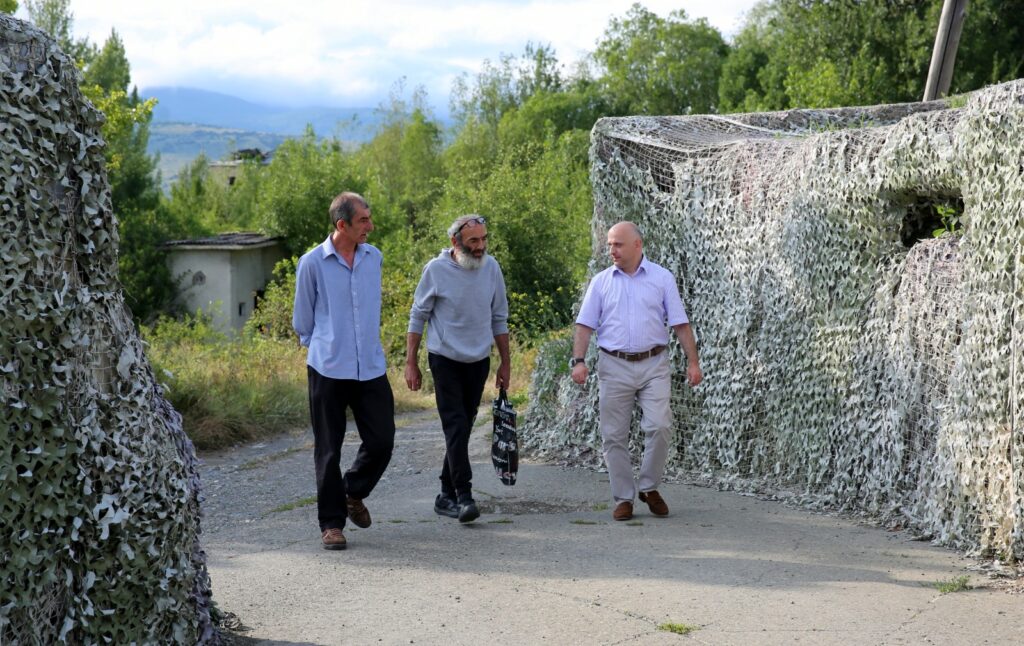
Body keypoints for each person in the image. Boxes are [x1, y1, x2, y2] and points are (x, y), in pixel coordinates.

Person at [570, 221, 702, 521]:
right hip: (613, 365)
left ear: (637, 245)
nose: (611, 250)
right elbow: (585, 324)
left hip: (654, 364)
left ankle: (649, 486)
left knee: (660, 425)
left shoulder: (661, 278)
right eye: (609, 244)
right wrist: (578, 361)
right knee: (613, 435)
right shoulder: (601, 282)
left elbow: (680, 323)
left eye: (617, 244)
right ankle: (624, 498)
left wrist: (693, 362)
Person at [292, 192, 396, 550]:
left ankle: (352, 491)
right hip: (328, 368)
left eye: (369, 218)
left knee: (382, 440)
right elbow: (302, 322)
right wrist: (327, 346)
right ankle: (332, 524)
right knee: (329, 448)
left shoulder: (374, 258)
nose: (371, 226)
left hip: (370, 365)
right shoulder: (312, 263)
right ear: (342, 225)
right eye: (363, 220)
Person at [405, 214, 510, 523]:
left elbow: (499, 317)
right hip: (445, 359)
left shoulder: (491, 268)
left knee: (463, 426)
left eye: (484, 239)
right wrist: (410, 362)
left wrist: (506, 362)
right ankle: (463, 496)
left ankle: (444, 495)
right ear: (456, 242)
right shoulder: (436, 270)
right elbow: (418, 316)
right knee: (456, 425)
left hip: (478, 361)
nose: (480, 247)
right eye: (473, 241)